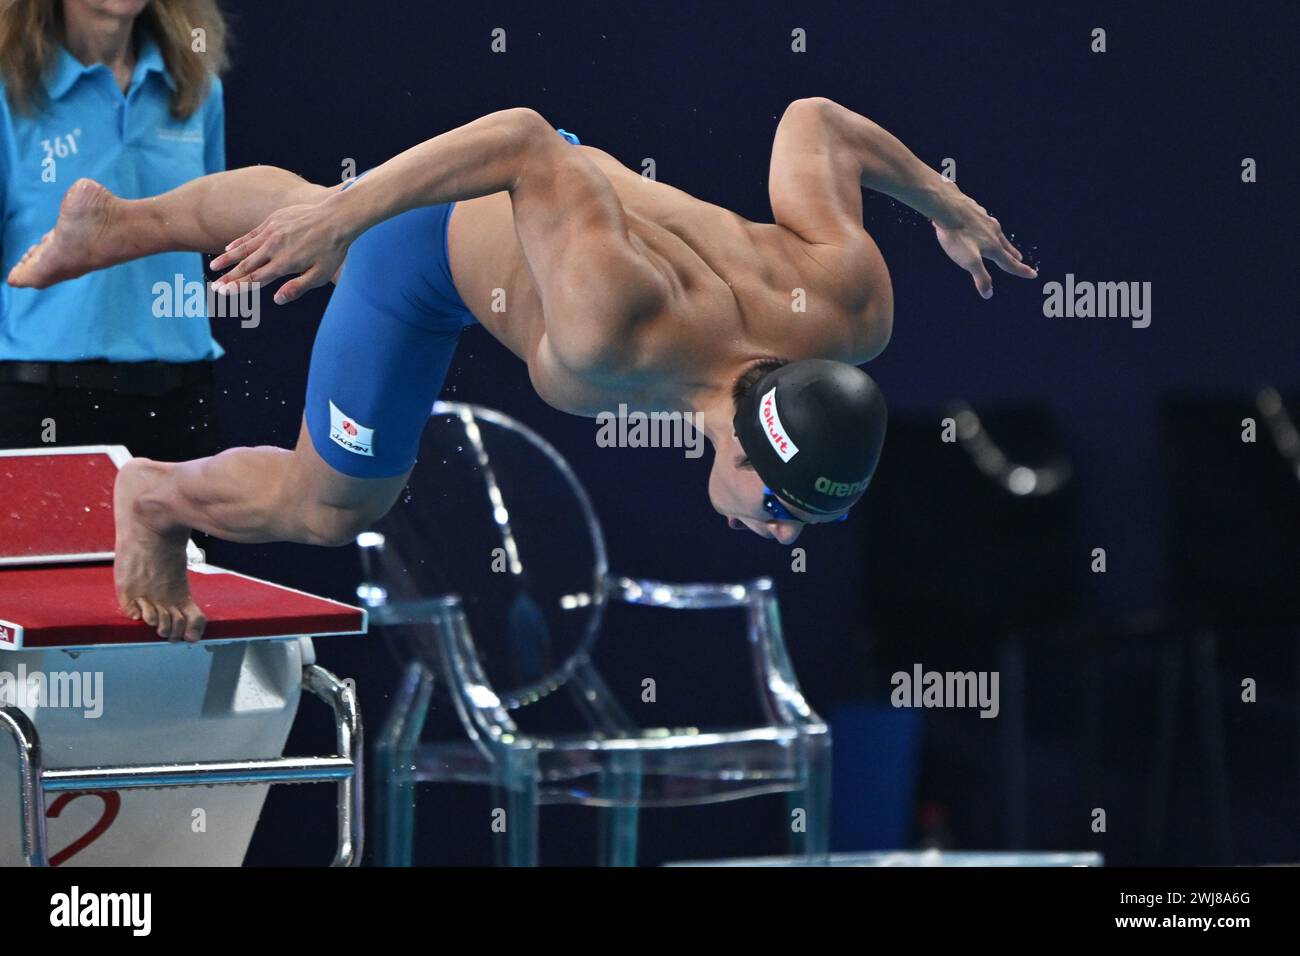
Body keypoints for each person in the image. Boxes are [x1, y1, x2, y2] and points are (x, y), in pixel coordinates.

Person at [9, 99, 1036, 640]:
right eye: (779, 509)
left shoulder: (850, 305)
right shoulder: (610, 334)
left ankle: (114, 223)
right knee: (326, 505)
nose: (776, 533)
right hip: (440, 254)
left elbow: (817, 120)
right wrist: (352, 215)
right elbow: (520, 140)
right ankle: (149, 499)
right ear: (738, 434)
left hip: (557, 216)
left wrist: (948, 209)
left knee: (321, 212)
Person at [0, 0, 227, 458]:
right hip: (43, 401)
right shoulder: (9, 90)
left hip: (183, 400)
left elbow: (216, 229)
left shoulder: (198, 87)